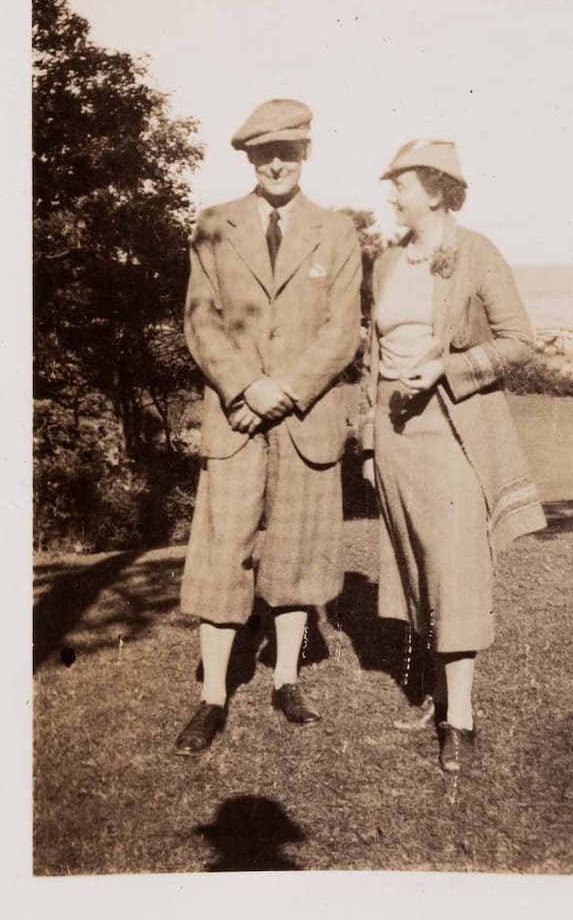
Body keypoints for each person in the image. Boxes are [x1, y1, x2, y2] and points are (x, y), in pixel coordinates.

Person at [175, 98, 362, 755]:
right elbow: (199, 321)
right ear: (249, 158)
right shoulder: (213, 225)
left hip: (304, 420)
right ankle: (213, 698)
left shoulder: (336, 231)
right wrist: (244, 385)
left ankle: (285, 680)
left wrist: (281, 390)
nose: (277, 162)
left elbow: (343, 331)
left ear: (305, 153)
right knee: (223, 551)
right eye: (264, 152)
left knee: (295, 551)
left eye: (288, 149)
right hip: (235, 418)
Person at [361, 139, 546, 773]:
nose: (391, 194)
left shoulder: (477, 253)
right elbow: (372, 359)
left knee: (457, 569)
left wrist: (449, 366)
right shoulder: (386, 263)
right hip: (396, 441)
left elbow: (522, 342)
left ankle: (460, 718)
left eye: (401, 184)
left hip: (454, 434)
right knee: (417, 565)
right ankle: (436, 695)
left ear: (436, 190)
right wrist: (367, 441)